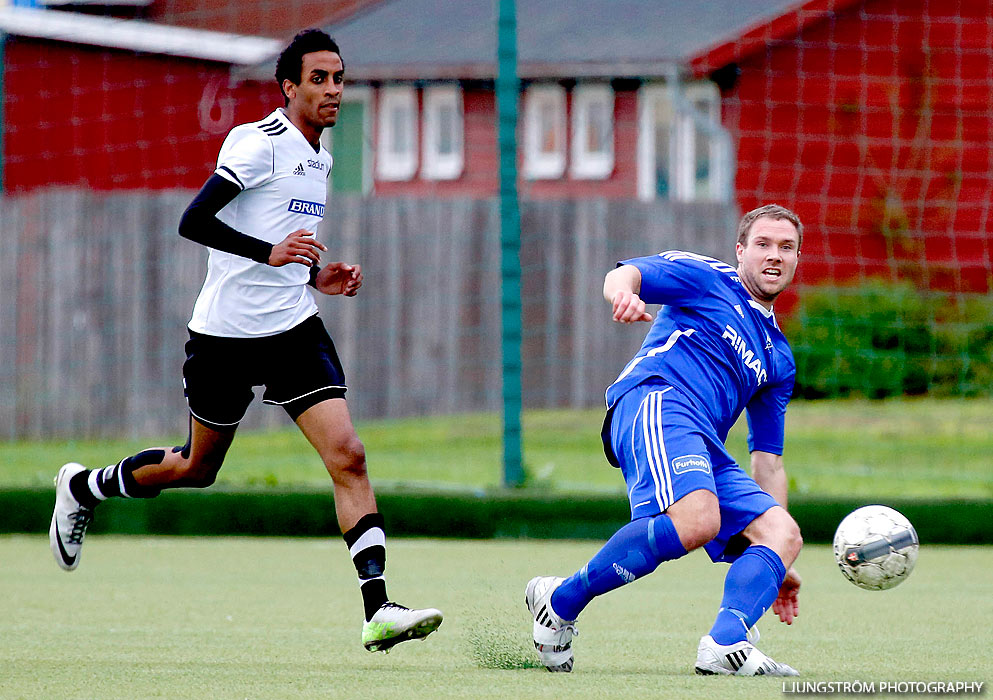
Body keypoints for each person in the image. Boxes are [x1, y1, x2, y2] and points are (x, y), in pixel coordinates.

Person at [49, 29, 442, 653]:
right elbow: (195, 220)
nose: (333, 90)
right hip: (224, 337)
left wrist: (317, 275)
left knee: (350, 454)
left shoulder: (323, 157)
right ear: (289, 86)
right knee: (196, 468)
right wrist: (271, 252)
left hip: (292, 328)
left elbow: (283, 245)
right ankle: (83, 488)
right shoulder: (256, 143)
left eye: (339, 78)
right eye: (320, 79)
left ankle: (378, 607)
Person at [526, 204, 804, 675]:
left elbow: (768, 462)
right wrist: (622, 296)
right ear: (740, 251)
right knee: (698, 519)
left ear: (798, 258)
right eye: (763, 245)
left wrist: (774, 557)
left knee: (785, 532)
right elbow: (627, 274)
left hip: (702, 440)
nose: (774, 256)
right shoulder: (709, 278)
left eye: (786, 247)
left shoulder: (778, 356)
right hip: (656, 398)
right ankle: (561, 599)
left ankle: (725, 644)